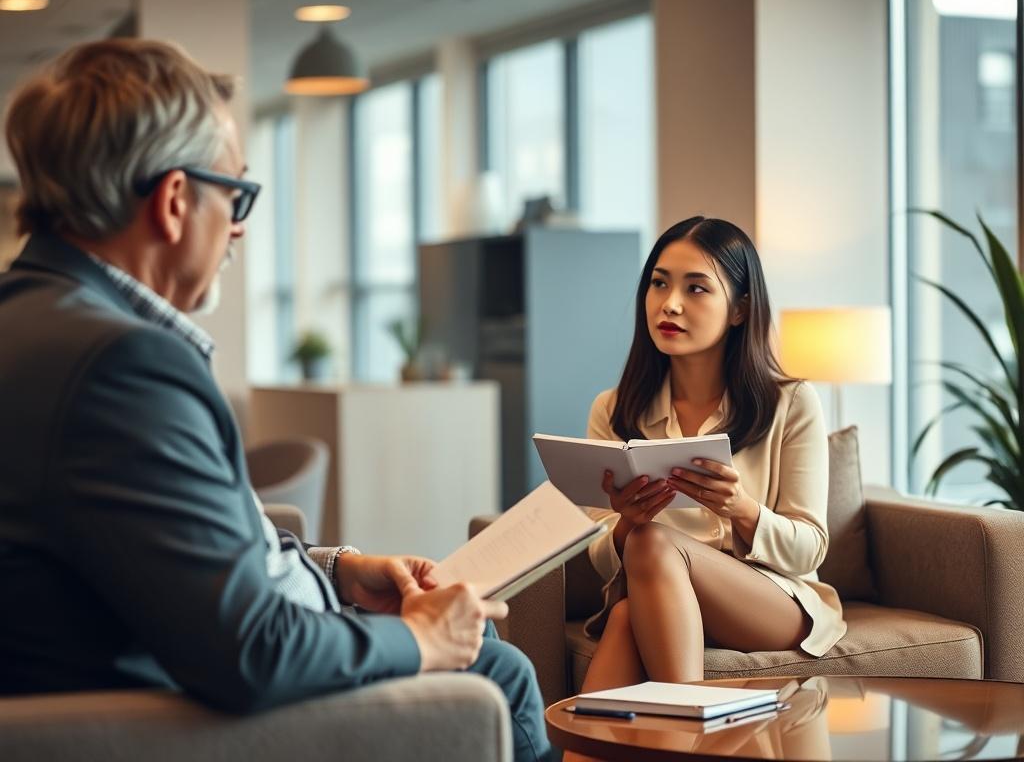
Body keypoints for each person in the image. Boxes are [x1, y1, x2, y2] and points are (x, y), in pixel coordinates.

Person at [0, 38, 550, 762]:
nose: (239, 226)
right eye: (236, 193)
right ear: (173, 201)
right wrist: (421, 638)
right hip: (165, 714)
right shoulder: (123, 363)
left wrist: (334, 571)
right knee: (499, 670)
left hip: (140, 668)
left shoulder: (36, 317)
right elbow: (251, 651)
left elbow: (157, 555)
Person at [579, 216, 846, 694]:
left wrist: (740, 508)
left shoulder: (792, 402)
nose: (670, 304)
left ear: (740, 309)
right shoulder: (613, 409)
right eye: (659, 284)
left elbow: (810, 546)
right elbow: (599, 555)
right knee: (624, 610)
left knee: (652, 543)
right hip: (659, 593)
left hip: (771, 601)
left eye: (696, 289)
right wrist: (623, 523)